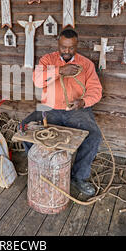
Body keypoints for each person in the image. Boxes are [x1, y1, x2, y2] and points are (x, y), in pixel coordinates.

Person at [20, 28, 103, 196]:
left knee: (94, 136)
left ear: (76, 45)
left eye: (71, 48)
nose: (67, 51)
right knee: (24, 127)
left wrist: (83, 102)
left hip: (76, 110)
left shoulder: (86, 64)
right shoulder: (47, 60)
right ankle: (42, 167)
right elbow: (37, 80)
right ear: (58, 44)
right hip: (49, 108)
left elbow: (96, 90)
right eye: (63, 47)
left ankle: (79, 177)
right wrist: (60, 71)